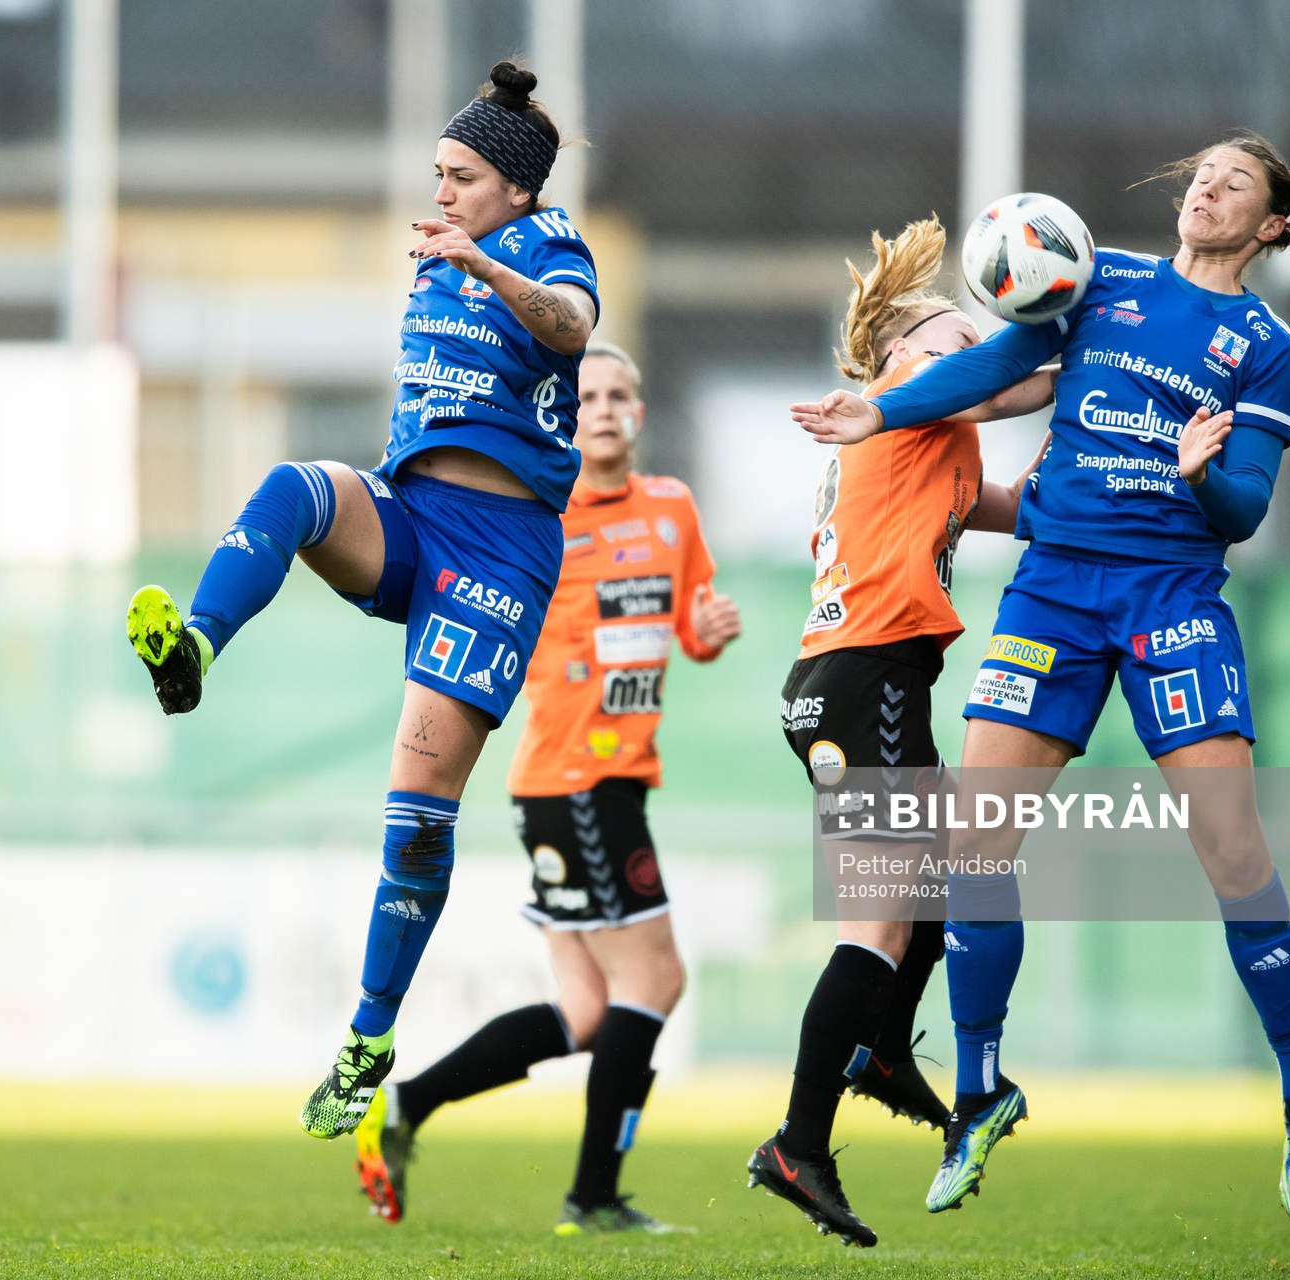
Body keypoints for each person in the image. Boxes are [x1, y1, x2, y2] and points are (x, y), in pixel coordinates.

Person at [792, 134, 1290, 1225]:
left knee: (1234, 855)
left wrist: (1202, 476)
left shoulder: (1266, 346)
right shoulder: (1100, 277)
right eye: (1201, 174)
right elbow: (998, 365)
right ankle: (979, 1093)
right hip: (1052, 597)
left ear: (1272, 225)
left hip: (1172, 601)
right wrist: (883, 409)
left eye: (1236, 182)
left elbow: (1244, 507)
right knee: (976, 850)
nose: (1209, 188)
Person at [125, 61, 600, 1142]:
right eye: (438, 174)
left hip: (500, 553)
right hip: (411, 516)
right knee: (294, 488)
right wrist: (460, 260)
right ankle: (192, 650)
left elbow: (573, 327)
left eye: (461, 176)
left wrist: (484, 263)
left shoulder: (546, 243)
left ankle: (369, 1037)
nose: (442, 193)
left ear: (516, 188)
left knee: (418, 806)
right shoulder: (439, 260)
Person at [352, 343, 741, 1234]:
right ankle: (594, 1196)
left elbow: (689, 627)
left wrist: (707, 629)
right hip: (574, 778)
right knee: (657, 979)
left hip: (608, 784)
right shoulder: (538, 517)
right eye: (586, 396)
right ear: (565, 417)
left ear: (639, 413)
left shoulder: (673, 509)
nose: (601, 409)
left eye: (617, 396)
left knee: (588, 1010)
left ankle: (406, 1105)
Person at [746, 216, 1055, 1248]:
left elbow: (1014, 506)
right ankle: (798, 1143)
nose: (974, 347)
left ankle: (879, 1051)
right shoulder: (907, 398)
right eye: (955, 334)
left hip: (855, 684)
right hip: (864, 680)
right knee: (877, 927)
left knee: (934, 891)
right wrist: (1090, 348)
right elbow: (1005, 385)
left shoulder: (925, 435)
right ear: (898, 353)